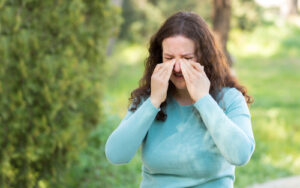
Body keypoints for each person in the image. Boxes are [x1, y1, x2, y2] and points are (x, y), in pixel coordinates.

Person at [105, 11, 255, 188]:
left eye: (186, 58)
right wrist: (153, 102)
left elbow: (240, 155)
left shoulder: (229, 98)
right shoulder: (149, 99)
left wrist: (203, 99)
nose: (176, 67)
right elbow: (116, 155)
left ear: (205, 58)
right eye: (169, 58)